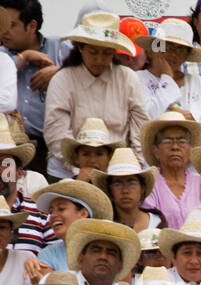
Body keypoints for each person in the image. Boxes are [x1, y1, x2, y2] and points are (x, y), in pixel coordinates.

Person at [42, 12, 148, 180]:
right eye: (93, 52)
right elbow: (56, 131)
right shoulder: (63, 79)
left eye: (106, 53)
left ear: (114, 52)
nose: (99, 60)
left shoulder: (128, 79)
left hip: (118, 170)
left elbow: (140, 130)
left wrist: (131, 167)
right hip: (68, 170)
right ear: (80, 47)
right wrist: (80, 170)